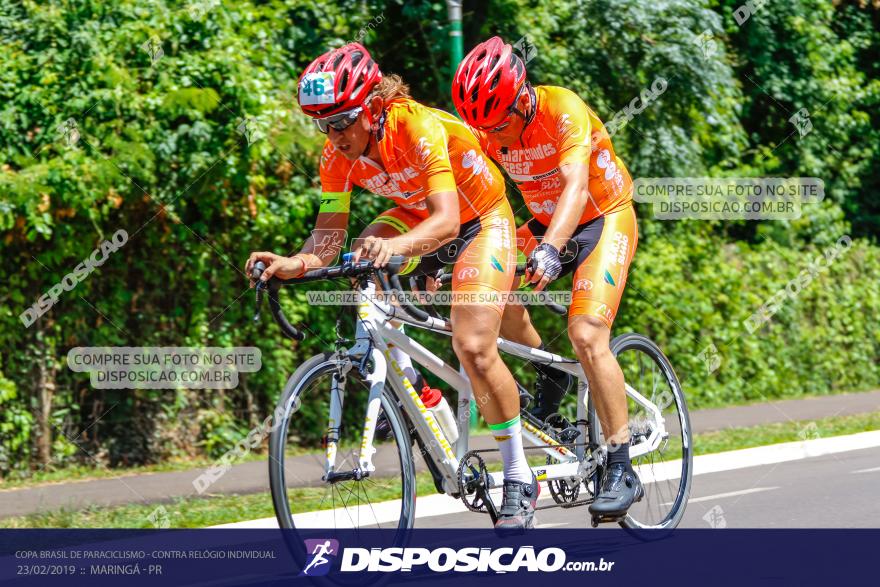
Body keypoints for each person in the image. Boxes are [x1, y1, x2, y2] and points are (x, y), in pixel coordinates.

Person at [245, 43, 539, 531]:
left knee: (473, 346)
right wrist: (291, 263)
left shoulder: (415, 126)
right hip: (416, 215)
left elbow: (447, 221)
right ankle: (409, 382)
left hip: (478, 218)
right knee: (360, 252)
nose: (334, 135)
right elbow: (327, 239)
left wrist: (399, 248)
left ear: (374, 106)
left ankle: (518, 476)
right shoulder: (335, 155)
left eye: (342, 121)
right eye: (324, 123)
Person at [452, 36, 642, 519]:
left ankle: (621, 463)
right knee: (490, 287)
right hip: (542, 221)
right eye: (484, 127)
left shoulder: (563, 109)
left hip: (601, 215)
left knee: (586, 333)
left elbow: (576, 188)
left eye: (500, 122)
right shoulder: (489, 130)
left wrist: (552, 250)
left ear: (522, 96)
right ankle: (551, 372)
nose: (495, 135)